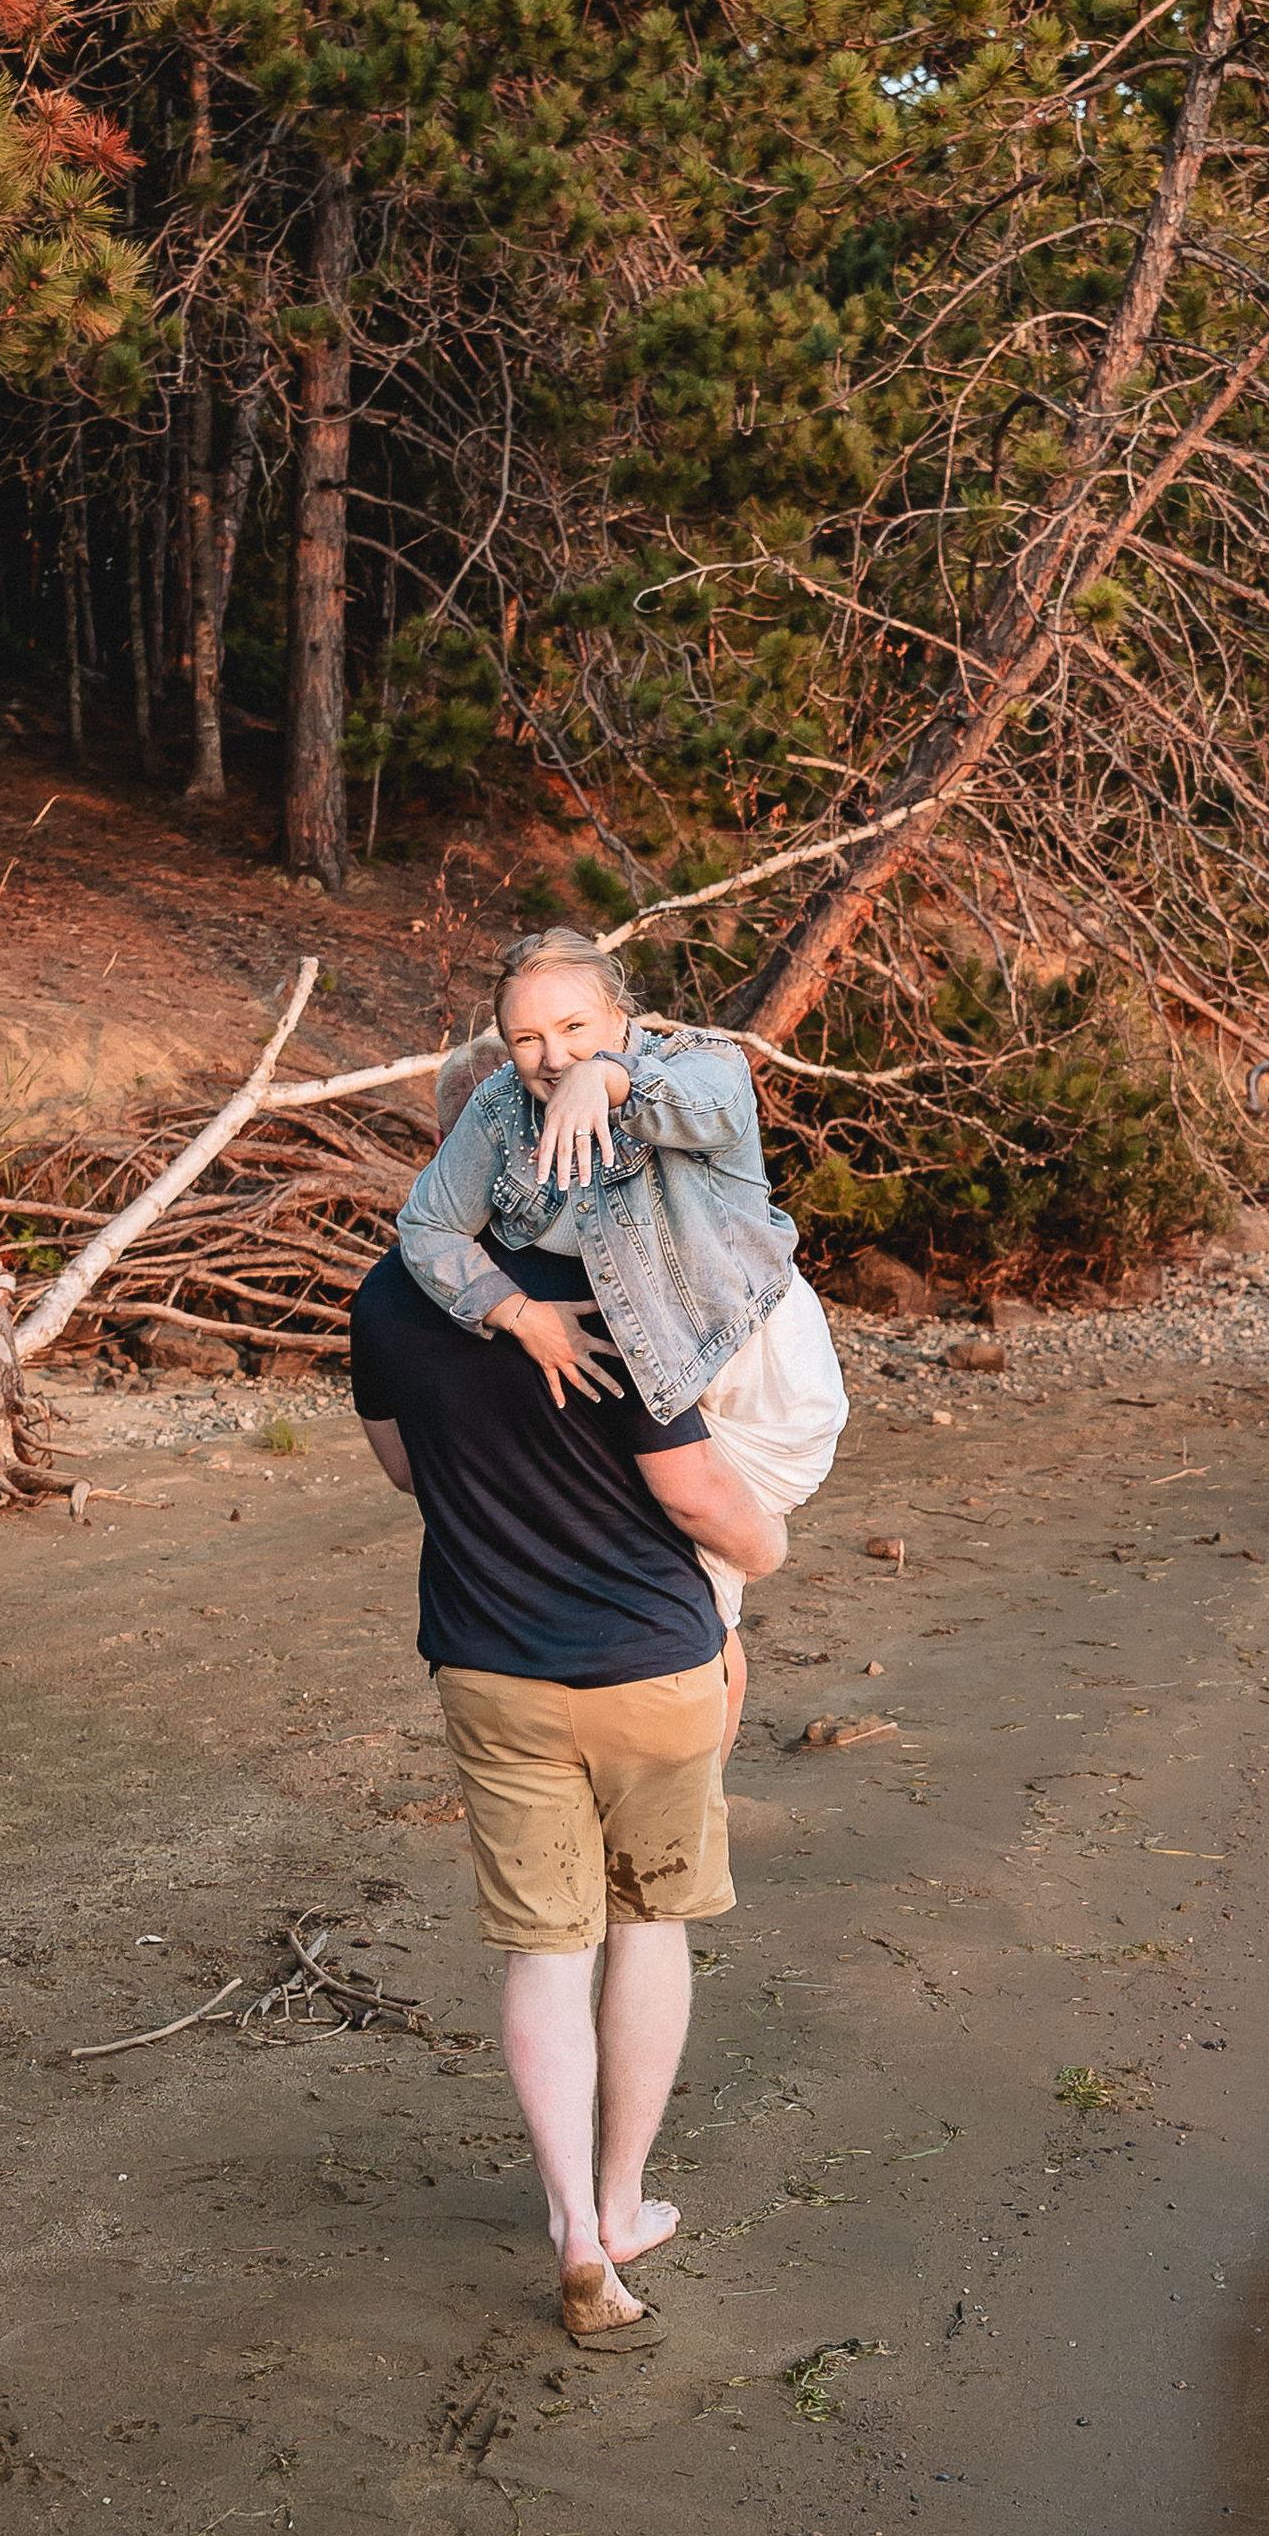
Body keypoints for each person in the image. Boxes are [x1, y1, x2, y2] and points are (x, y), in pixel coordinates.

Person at [347, 931, 845, 2345]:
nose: (545, 1079)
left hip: (491, 1667)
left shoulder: (396, 1294)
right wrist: (764, 1556)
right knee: (649, 1928)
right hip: (649, 1663)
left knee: (540, 1953)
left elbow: (400, 1468)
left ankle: (571, 2221)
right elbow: (695, 1486)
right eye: (527, 1057)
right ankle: (624, 2207)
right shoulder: (633, 1292)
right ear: (500, 1107)